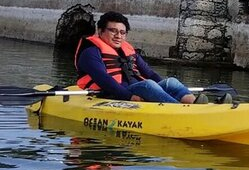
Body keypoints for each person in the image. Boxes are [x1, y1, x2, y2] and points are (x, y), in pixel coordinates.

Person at [74, 11, 210, 104]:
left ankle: (195, 104)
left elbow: (149, 72)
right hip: (109, 94)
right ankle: (180, 110)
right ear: (100, 31)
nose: (118, 36)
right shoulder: (90, 52)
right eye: (113, 31)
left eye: (122, 32)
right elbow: (103, 79)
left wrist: (163, 89)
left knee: (171, 82)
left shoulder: (128, 51)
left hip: (136, 89)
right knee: (148, 85)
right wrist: (129, 97)